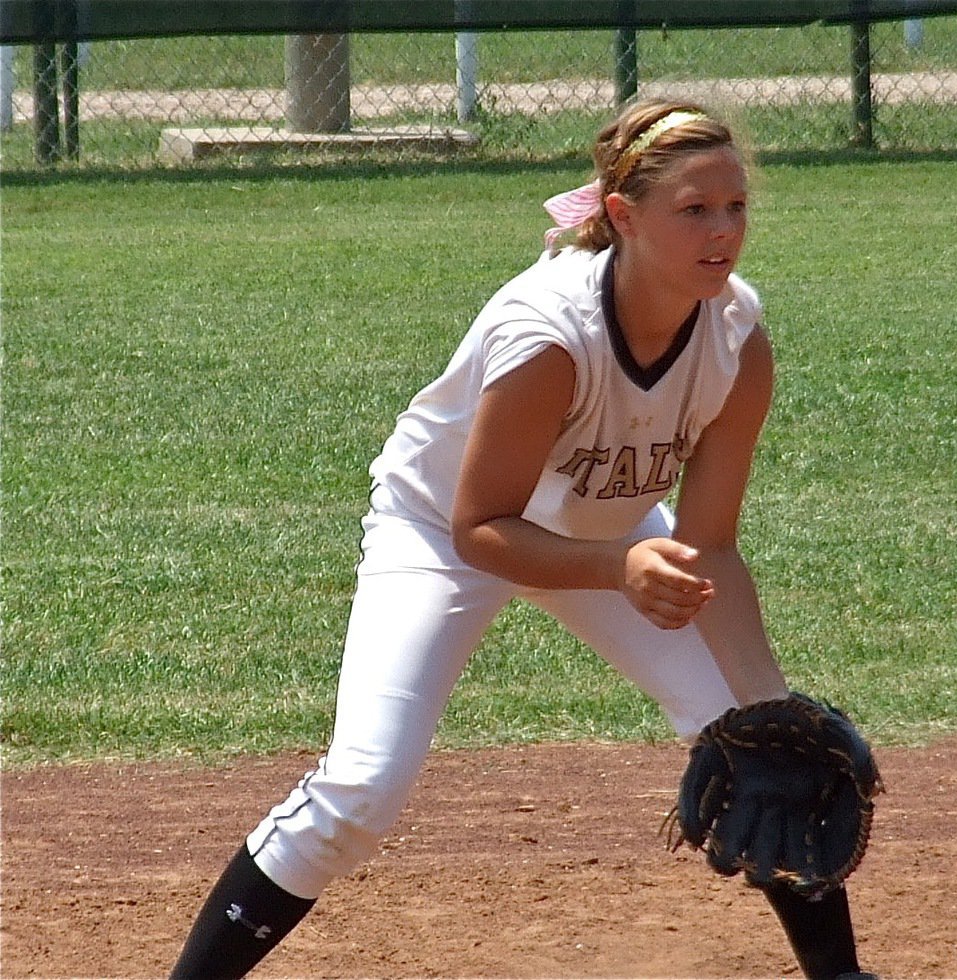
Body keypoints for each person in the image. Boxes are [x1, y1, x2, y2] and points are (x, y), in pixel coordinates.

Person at [169, 97, 875, 980]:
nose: (723, 230)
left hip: (612, 532)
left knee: (759, 747)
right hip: (442, 534)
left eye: (735, 206)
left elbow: (710, 551)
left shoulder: (735, 338)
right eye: (694, 209)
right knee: (362, 789)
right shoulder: (549, 336)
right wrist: (619, 567)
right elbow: (481, 528)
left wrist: (770, 707)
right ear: (622, 216)